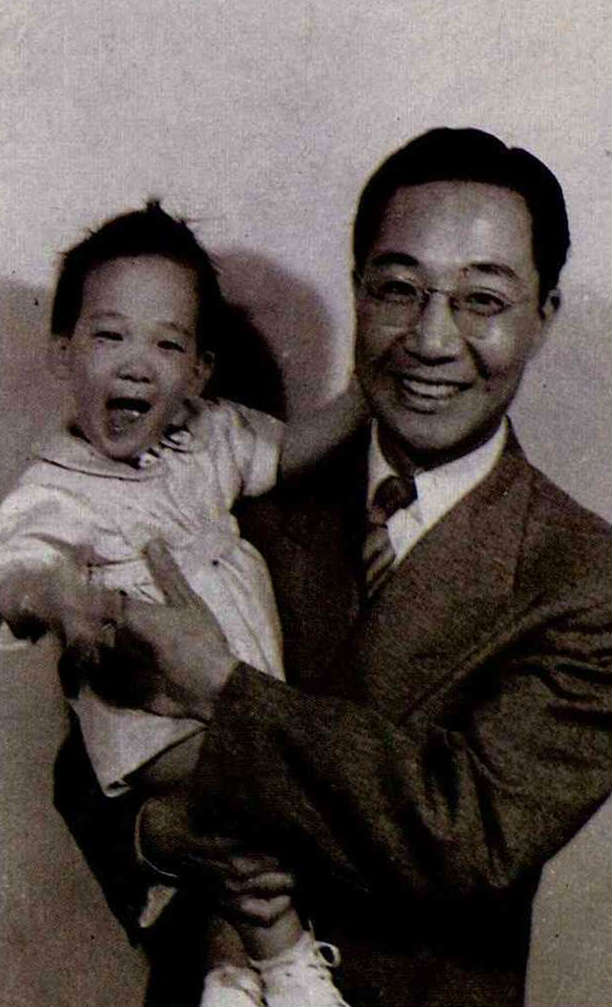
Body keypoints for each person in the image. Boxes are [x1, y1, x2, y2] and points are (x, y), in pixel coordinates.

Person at [53, 129, 611, 1007]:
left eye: (482, 300)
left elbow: (470, 833)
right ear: (358, 291)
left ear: (542, 316)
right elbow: (92, 754)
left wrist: (222, 688)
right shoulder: (240, 498)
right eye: (398, 290)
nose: (432, 338)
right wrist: (160, 836)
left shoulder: (583, 575)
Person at [0, 202, 366, 1007]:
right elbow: (14, 571)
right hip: (151, 720)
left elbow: (292, 451)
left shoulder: (211, 438)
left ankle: (228, 976)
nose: (137, 364)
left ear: (199, 372)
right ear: (63, 351)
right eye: (110, 335)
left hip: (234, 696)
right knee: (256, 777)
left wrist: (365, 392)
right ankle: (290, 962)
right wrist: (59, 599)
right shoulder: (57, 487)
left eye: (167, 344)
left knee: (239, 823)